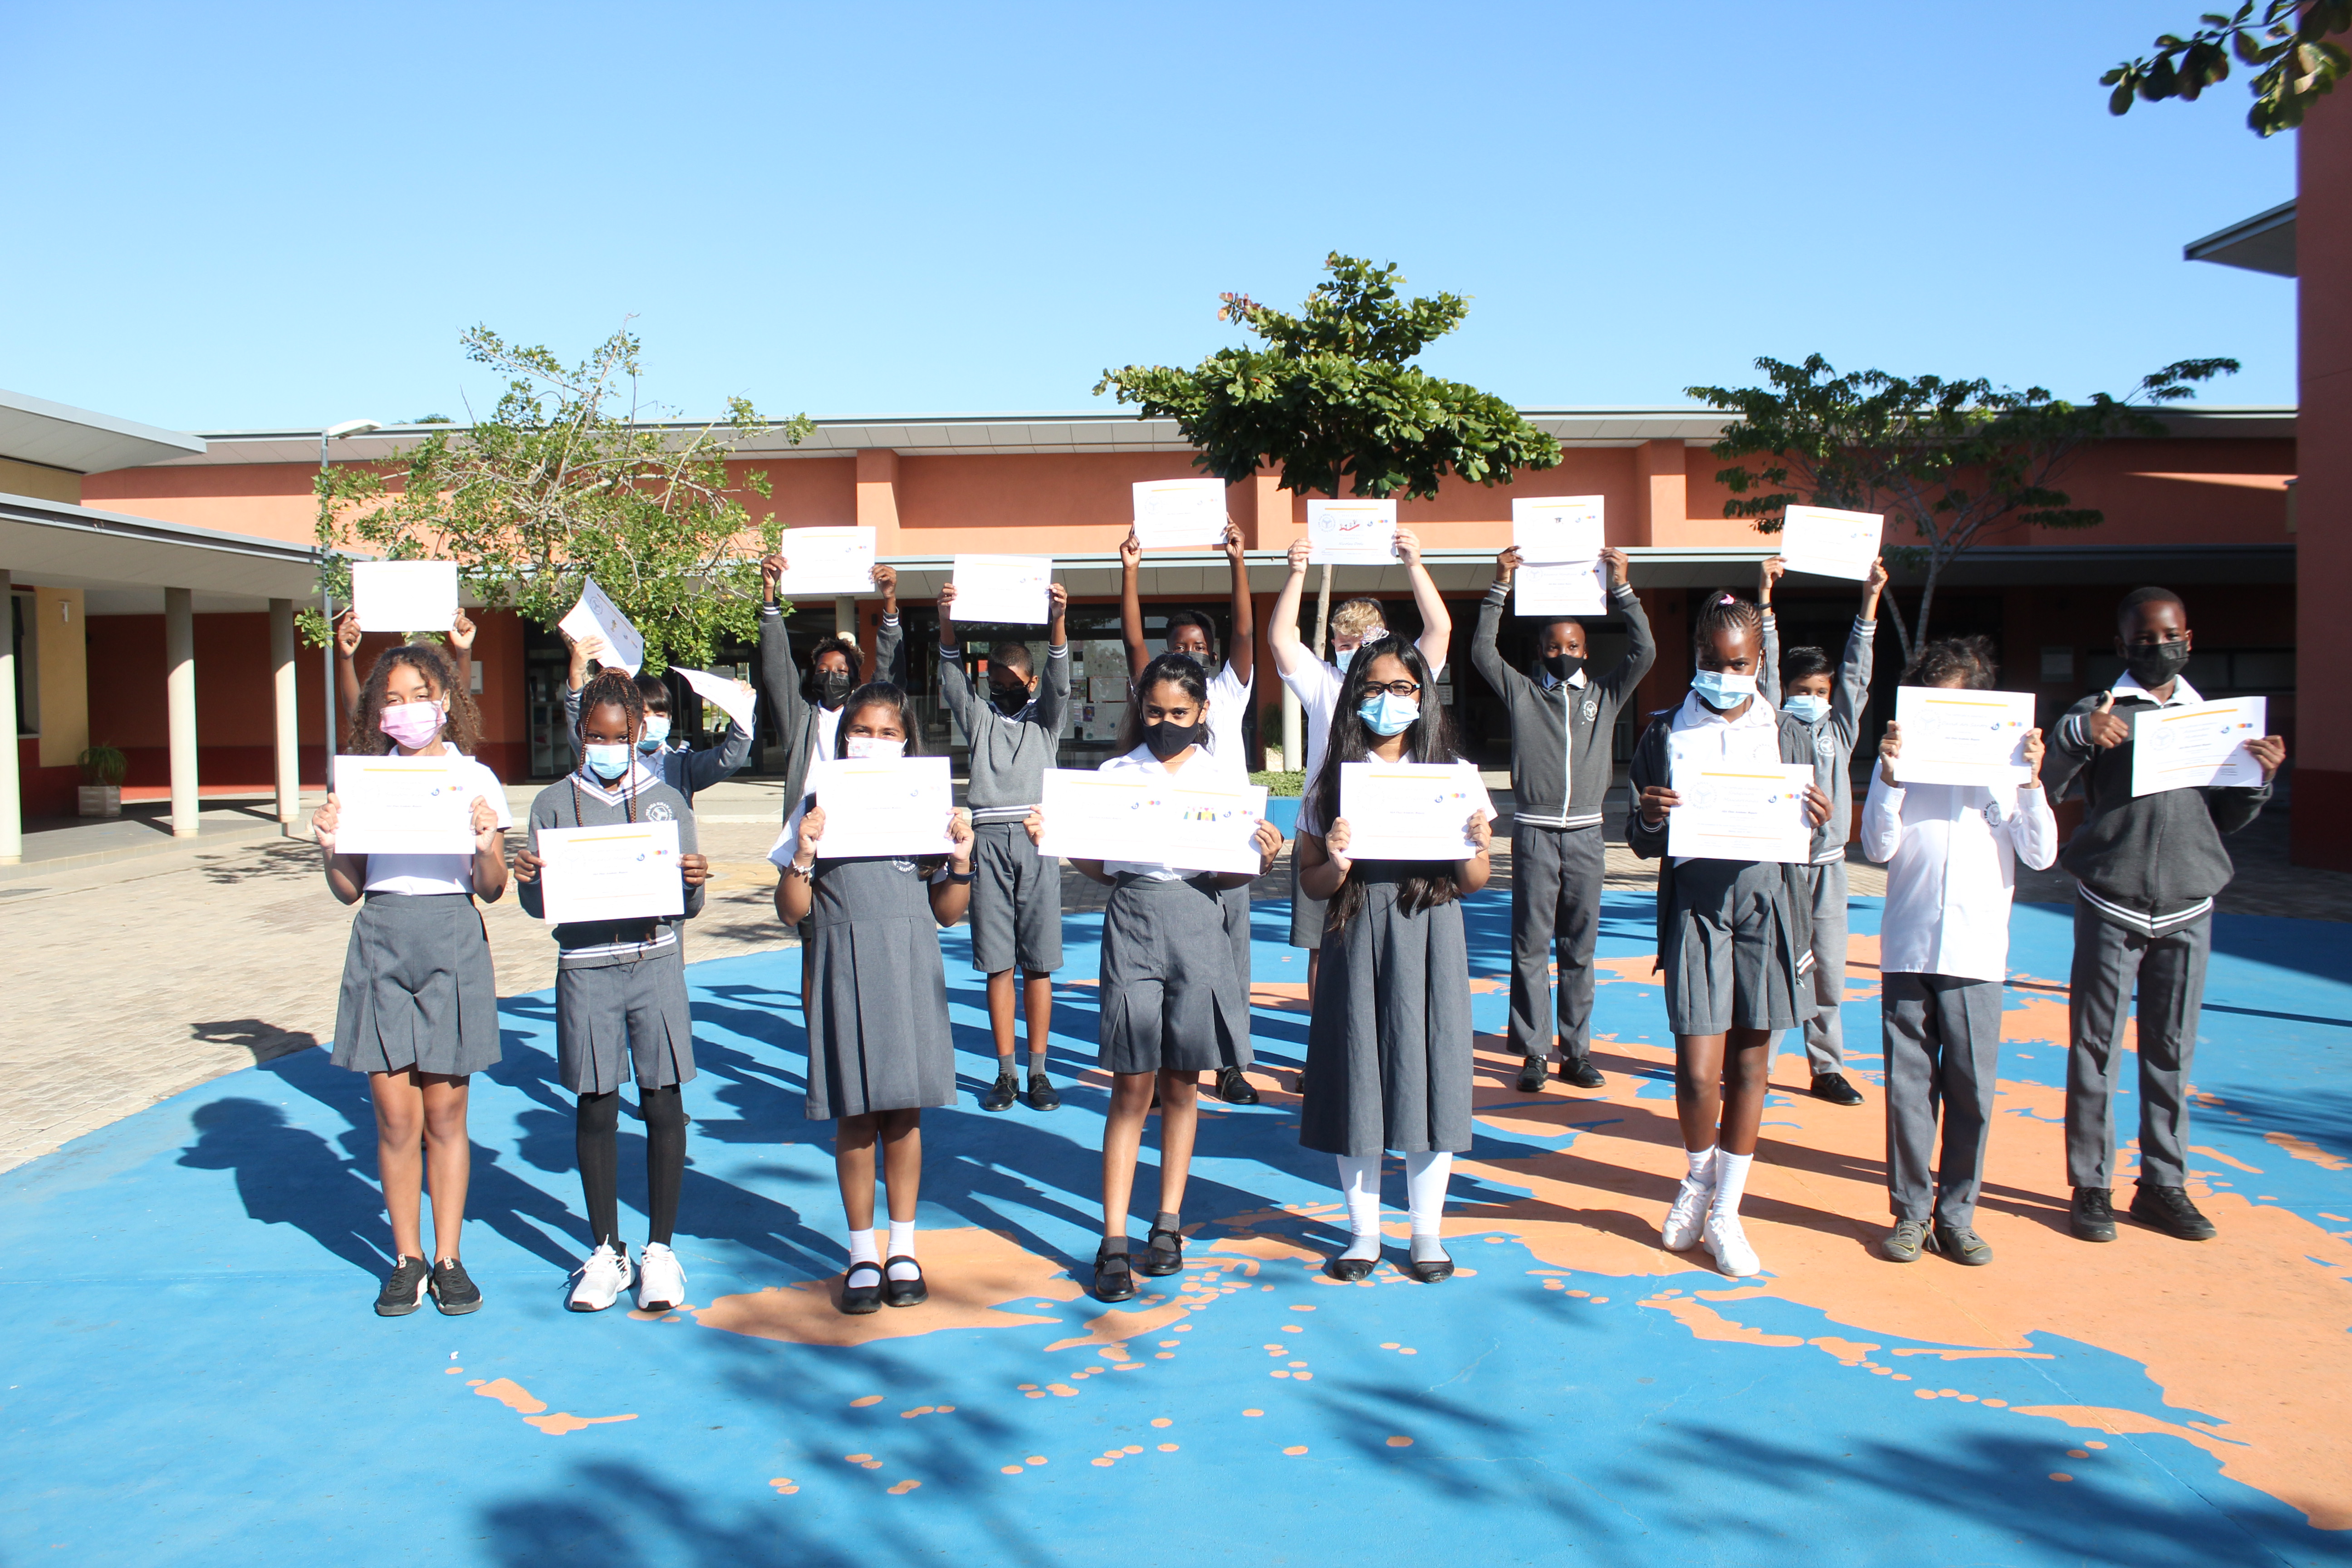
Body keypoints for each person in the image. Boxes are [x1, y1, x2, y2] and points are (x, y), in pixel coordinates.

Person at [1025, 653, 1282, 1302]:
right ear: (1140, 710)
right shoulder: (1116, 774)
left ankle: (1167, 1223)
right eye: (1155, 711)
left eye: (1180, 713)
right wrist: (1052, 841)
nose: (1166, 723)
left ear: (1202, 714)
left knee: (1182, 1082)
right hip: (1133, 917)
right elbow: (1104, 868)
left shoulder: (1221, 777)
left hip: (1200, 918)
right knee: (1130, 1087)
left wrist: (1262, 859)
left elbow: (1230, 873)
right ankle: (1113, 1240)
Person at [2042, 586, 2286, 1244]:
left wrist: (2257, 779)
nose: (2158, 648)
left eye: (2169, 636)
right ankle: (2091, 1185)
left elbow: (2225, 818)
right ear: (2122, 647)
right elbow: (2049, 785)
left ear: (2189, 638)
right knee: (2095, 1049)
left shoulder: (2215, 718)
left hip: (2190, 903)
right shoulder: (2100, 711)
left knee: (2170, 1049)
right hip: (2110, 898)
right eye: (2144, 640)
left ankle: (2163, 1184)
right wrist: (2077, 738)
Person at [1626, 591, 1832, 1278]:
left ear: (1760, 661)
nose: (1724, 674)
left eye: (1738, 663)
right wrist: (1651, 816)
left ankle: (1727, 1211)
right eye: (1712, 662)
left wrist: (1820, 816)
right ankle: (1695, 1178)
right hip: (1696, 906)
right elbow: (1640, 839)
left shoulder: (1789, 732)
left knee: (1750, 1066)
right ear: (1696, 660)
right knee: (1696, 1069)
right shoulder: (1664, 733)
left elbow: (1814, 831)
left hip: (1766, 906)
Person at [310, 642, 510, 1317]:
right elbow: (348, 890)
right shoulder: (363, 781)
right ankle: (407, 1258)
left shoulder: (475, 778)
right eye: (390, 699)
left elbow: (493, 887)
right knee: (396, 1118)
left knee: (447, 1114)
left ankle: (449, 1257)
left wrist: (487, 848)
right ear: (376, 711)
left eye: (418, 696)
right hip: (382, 937)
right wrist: (331, 847)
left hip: (452, 935)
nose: (406, 711)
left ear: (446, 701)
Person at [771, 682, 975, 1314]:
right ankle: (862, 1251)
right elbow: (791, 910)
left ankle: (904, 1246)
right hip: (846, 966)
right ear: (843, 739)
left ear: (908, 741)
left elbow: (947, 913)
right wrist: (803, 853)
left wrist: (961, 859)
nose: (875, 743)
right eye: (863, 731)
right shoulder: (816, 804)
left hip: (911, 961)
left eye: (889, 733)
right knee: (856, 1116)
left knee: (904, 1112)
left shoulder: (926, 806)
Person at [1294, 636, 1493, 1283]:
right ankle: (1363, 1234)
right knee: (1358, 1079)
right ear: (1355, 695)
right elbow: (1312, 883)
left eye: (1402, 688)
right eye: (1373, 688)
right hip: (1357, 935)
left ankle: (1427, 1233)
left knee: (1431, 1075)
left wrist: (1473, 844)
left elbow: (1475, 879)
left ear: (1423, 695)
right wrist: (1337, 857)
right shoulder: (1329, 780)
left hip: (1430, 933)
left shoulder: (1454, 772)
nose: (1388, 701)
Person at [513, 670, 711, 1313]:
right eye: (595, 736)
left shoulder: (666, 801)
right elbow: (538, 904)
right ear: (579, 734)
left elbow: (690, 904)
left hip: (654, 963)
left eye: (619, 738)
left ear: (637, 738)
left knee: (662, 1100)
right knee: (595, 1103)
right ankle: (606, 1250)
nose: (606, 748)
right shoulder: (550, 804)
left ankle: (660, 1250)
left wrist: (694, 879)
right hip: (585, 966)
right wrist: (528, 878)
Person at [1858, 637, 2055, 1266]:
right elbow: (1878, 847)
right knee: (1908, 1091)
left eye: (1961, 702)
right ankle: (1912, 1214)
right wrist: (1888, 780)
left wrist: (2030, 783)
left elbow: (2042, 854)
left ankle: (1958, 1215)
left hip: (1976, 955)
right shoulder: (1902, 764)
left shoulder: (2005, 772)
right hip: (1910, 949)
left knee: (1972, 1091)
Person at [1474, 544, 1655, 1093]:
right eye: (1555, 645)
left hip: (1586, 836)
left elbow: (1644, 651)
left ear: (1586, 649)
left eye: (1574, 645)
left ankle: (1576, 1052)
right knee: (1530, 945)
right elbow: (1483, 652)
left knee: (1580, 947)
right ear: (1541, 650)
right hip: (1532, 833)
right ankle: (1533, 1051)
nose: (1565, 652)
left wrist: (1623, 589)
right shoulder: (1525, 693)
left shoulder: (1605, 694)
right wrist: (1499, 585)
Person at [1266, 528, 1453, 1005]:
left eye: (1360, 641)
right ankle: (1322, 1049)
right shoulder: (1323, 684)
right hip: (1330, 828)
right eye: (1340, 641)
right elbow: (1280, 638)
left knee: (1397, 941)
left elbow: (1440, 631)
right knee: (1320, 944)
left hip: (1401, 824)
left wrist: (1414, 564)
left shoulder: (1404, 679)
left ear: (1383, 639)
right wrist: (1296, 573)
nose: (1347, 649)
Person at [1120, 520, 1262, 1107]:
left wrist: (1238, 562)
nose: (1188, 652)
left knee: (1232, 955)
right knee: (1165, 970)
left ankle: (1231, 1063)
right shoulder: (1160, 692)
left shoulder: (1228, 690)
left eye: (1199, 646)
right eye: (1178, 644)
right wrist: (1130, 571)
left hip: (1221, 840)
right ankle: (1158, 1071)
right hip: (1162, 846)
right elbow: (1133, 646)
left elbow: (1247, 629)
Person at [1755, 554, 1888, 1107]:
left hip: (1830, 871)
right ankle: (1754, 1065)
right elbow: (1763, 670)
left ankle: (1826, 1066)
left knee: (1829, 970)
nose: (1809, 698)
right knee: (1777, 966)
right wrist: (1763, 601)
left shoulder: (1839, 728)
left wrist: (1870, 601)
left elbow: (1859, 672)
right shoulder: (1773, 721)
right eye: (1801, 689)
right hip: (1782, 868)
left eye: (1820, 690)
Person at [937, 578, 1072, 1114]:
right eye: (993, 678)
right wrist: (947, 619)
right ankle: (1006, 1073)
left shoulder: (1047, 721)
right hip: (989, 839)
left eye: (1012, 679)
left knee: (1038, 964)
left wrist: (1058, 619)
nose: (1001, 686)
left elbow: (1062, 682)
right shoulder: (981, 719)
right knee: (998, 965)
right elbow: (951, 679)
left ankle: (1039, 1073)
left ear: (1031, 681)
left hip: (1038, 840)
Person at [759, 554, 905, 1022]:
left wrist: (888, 604)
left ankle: (866, 1024)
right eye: (824, 669)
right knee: (812, 943)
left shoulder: (865, 718)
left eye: (842, 670)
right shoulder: (801, 718)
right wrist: (770, 599)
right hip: (814, 833)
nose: (832, 675)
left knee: (860, 936)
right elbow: (777, 667)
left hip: (864, 831)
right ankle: (818, 1038)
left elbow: (890, 670)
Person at [558, 639, 757, 805]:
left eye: (660, 715)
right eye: (644, 714)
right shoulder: (610, 757)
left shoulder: (682, 764)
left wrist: (742, 712)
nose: (651, 722)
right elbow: (581, 725)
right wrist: (576, 676)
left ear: (670, 720)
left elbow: (728, 760)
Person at [334, 606, 475, 742]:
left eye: (421, 696)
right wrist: (346, 658)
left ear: (446, 700)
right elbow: (357, 713)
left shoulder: (460, 766)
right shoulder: (377, 764)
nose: (409, 709)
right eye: (394, 700)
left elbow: (461, 699)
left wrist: (464, 652)